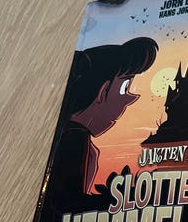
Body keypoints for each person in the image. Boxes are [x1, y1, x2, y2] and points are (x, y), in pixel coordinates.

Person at [47, 37, 158, 210]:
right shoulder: (74, 138)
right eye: (124, 88)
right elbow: (68, 208)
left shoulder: (72, 136)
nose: (130, 100)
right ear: (102, 91)